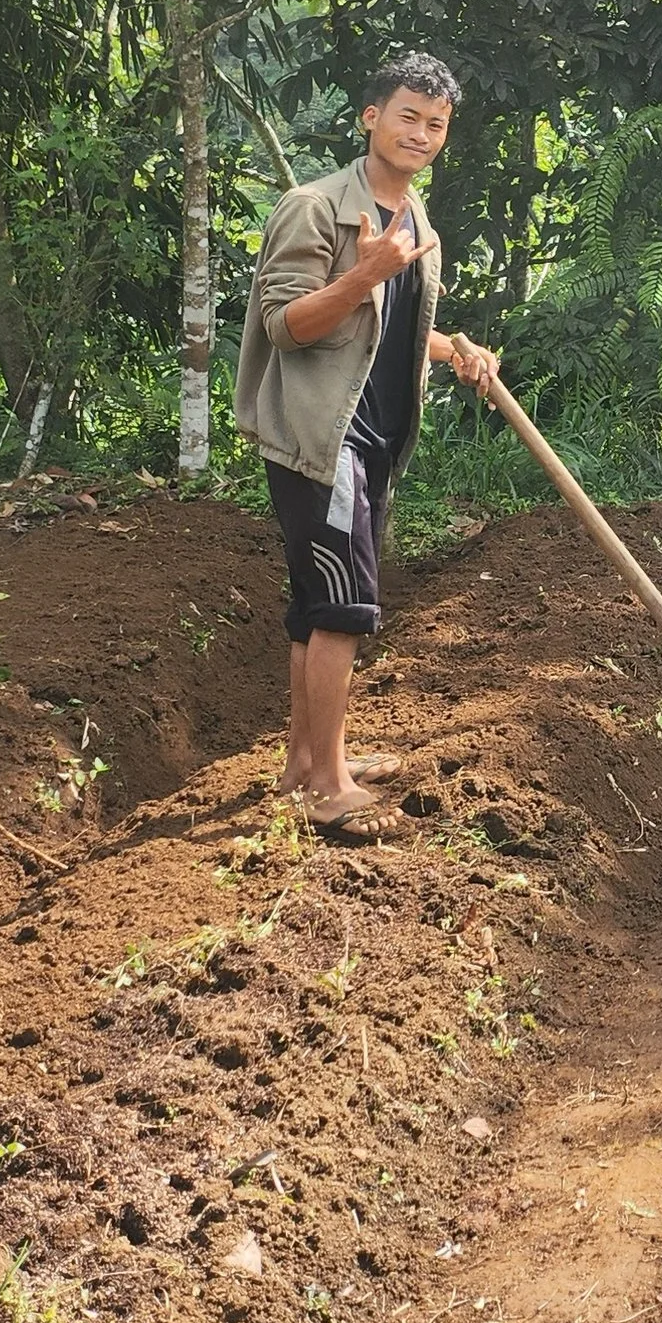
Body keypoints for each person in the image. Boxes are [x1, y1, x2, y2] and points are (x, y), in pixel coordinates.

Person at [233, 51, 502, 828]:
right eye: (407, 115)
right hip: (324, 437)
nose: (421, 132)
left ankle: (303, 762)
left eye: (436, 123)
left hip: (377, 437)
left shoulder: (418, 225)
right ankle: (330, 786)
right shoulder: (315, 207)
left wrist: (456, 350)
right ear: (370, 117)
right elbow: (285, 324)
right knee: (344, 608)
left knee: (318, 605)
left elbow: (390, 327)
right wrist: (364, 273)